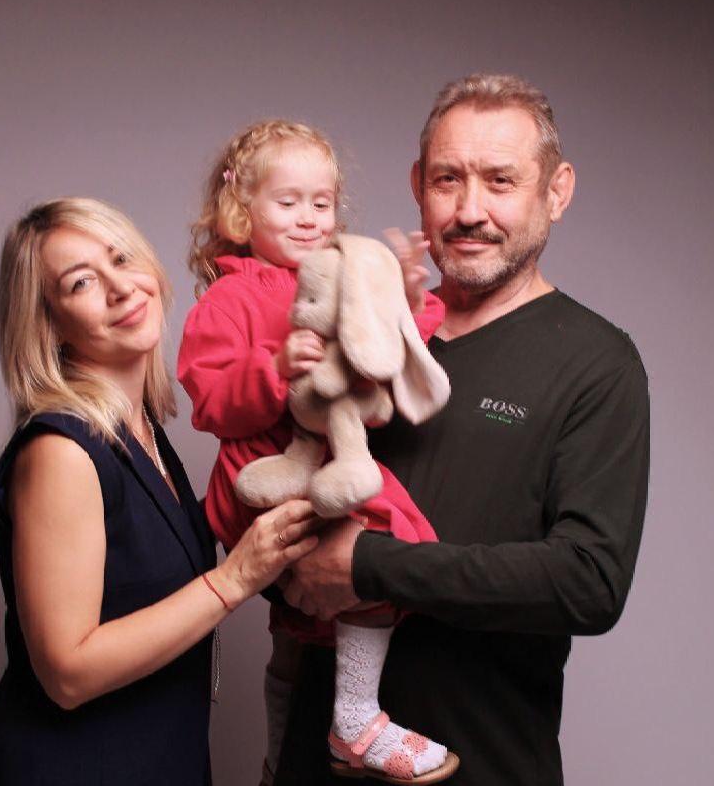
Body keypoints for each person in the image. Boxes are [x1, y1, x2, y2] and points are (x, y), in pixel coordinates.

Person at [274, 74, 650, 786]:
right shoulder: (365, 332)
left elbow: (589, 580)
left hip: (484, 765)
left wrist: (369, 565)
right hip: (315, 763)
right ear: (418, 184)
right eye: (448, 179)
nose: (470, 210)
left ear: (556, 191)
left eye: (500, 181)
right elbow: (282, 489)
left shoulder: (597, 362)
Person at [0, 197, 319, 786]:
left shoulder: (140, 430)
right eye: (81, 282)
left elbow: (148, 563)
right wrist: (235, 578)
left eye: (122, 258)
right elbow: (67, 673)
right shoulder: (61, 451)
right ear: (49, 324)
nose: (121, 288)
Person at [178, 121, 460, 784]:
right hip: (263, 474)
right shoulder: (229, 297)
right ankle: (355, 719)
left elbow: (381, 345)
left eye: (321, 202)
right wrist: (273, 367)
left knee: (318, 613)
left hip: (328, 458)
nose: (308, 218)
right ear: (241, 211)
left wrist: (406, 294)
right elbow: (209, 402)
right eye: (287, 202)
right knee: (370, 554)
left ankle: (284, 756)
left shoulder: (339, 271)